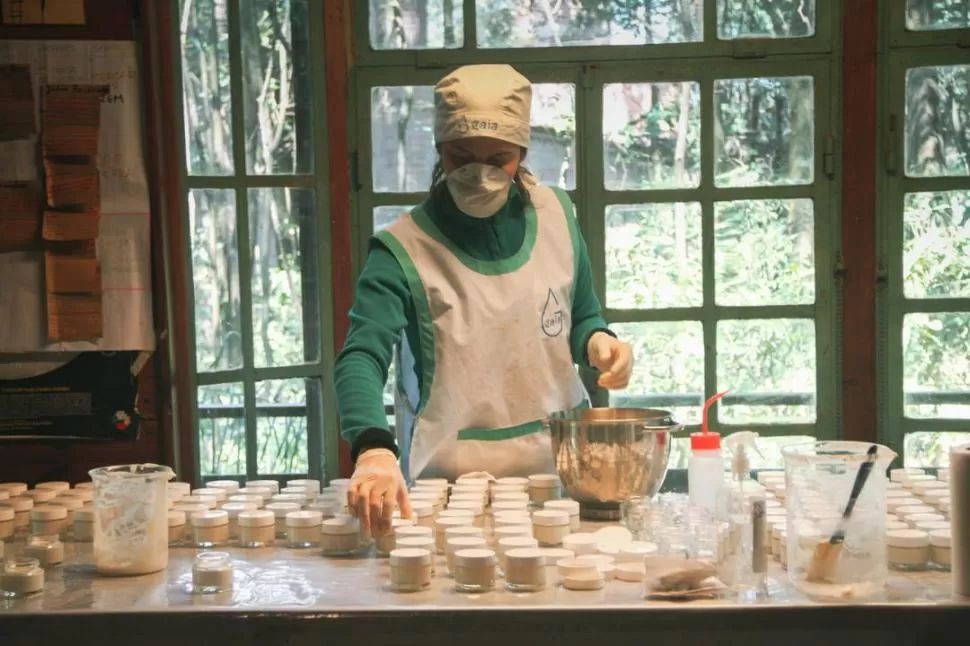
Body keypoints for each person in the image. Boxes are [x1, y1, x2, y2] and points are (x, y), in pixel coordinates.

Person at [335, 64, 633, 537]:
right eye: (461, 157)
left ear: (523, 151)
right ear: (439, 149)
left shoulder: (556, 216)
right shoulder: (403, 249)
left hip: (565, 478)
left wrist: (598, 341)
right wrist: (372, 449)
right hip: (449, 488)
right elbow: (361, 358)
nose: (481, 174)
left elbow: (580, 315)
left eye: (500, 158)